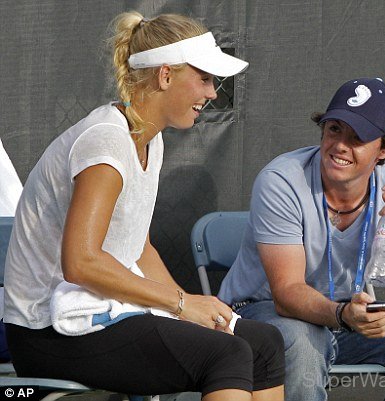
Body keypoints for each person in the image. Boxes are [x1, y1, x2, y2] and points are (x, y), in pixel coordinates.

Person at [3, 12, 285, 401]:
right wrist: (182, 303)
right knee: (227, 352)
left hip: (96, 314)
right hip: (46, 331)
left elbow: (139, 248)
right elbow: (81, 263)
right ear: (165, 76)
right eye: (204, 78)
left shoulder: (150, 139)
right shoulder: (106, 141)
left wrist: (187, 309)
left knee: (264, 342)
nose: (213, 93)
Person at [218, 78, 385, 401]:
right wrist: (343, 315)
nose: (340, 146)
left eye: (357, 137)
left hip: (343, 320)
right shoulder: (282, 180)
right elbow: (286, 294)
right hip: (263, 315)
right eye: (334, 129)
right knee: (303, 341)